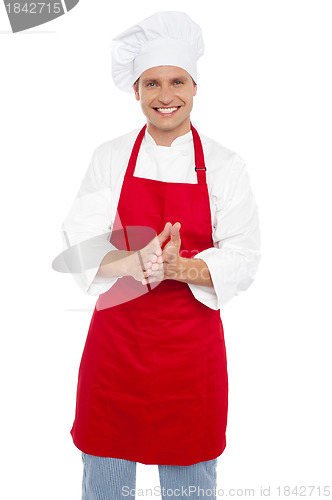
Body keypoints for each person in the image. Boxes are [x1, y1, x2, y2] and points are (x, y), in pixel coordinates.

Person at [59, 10, 261, 500]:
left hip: (190, 360)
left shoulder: (226, 166)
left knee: (189, 488)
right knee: (105, 482)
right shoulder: (109, 157)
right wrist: (133, 262)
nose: (164, 96)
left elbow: (245, 254)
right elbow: (80, 243)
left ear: (195, 88)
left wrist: (180, 267)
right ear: (136, 91)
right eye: (151, 84)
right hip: (117, 353)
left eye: (176, 81)